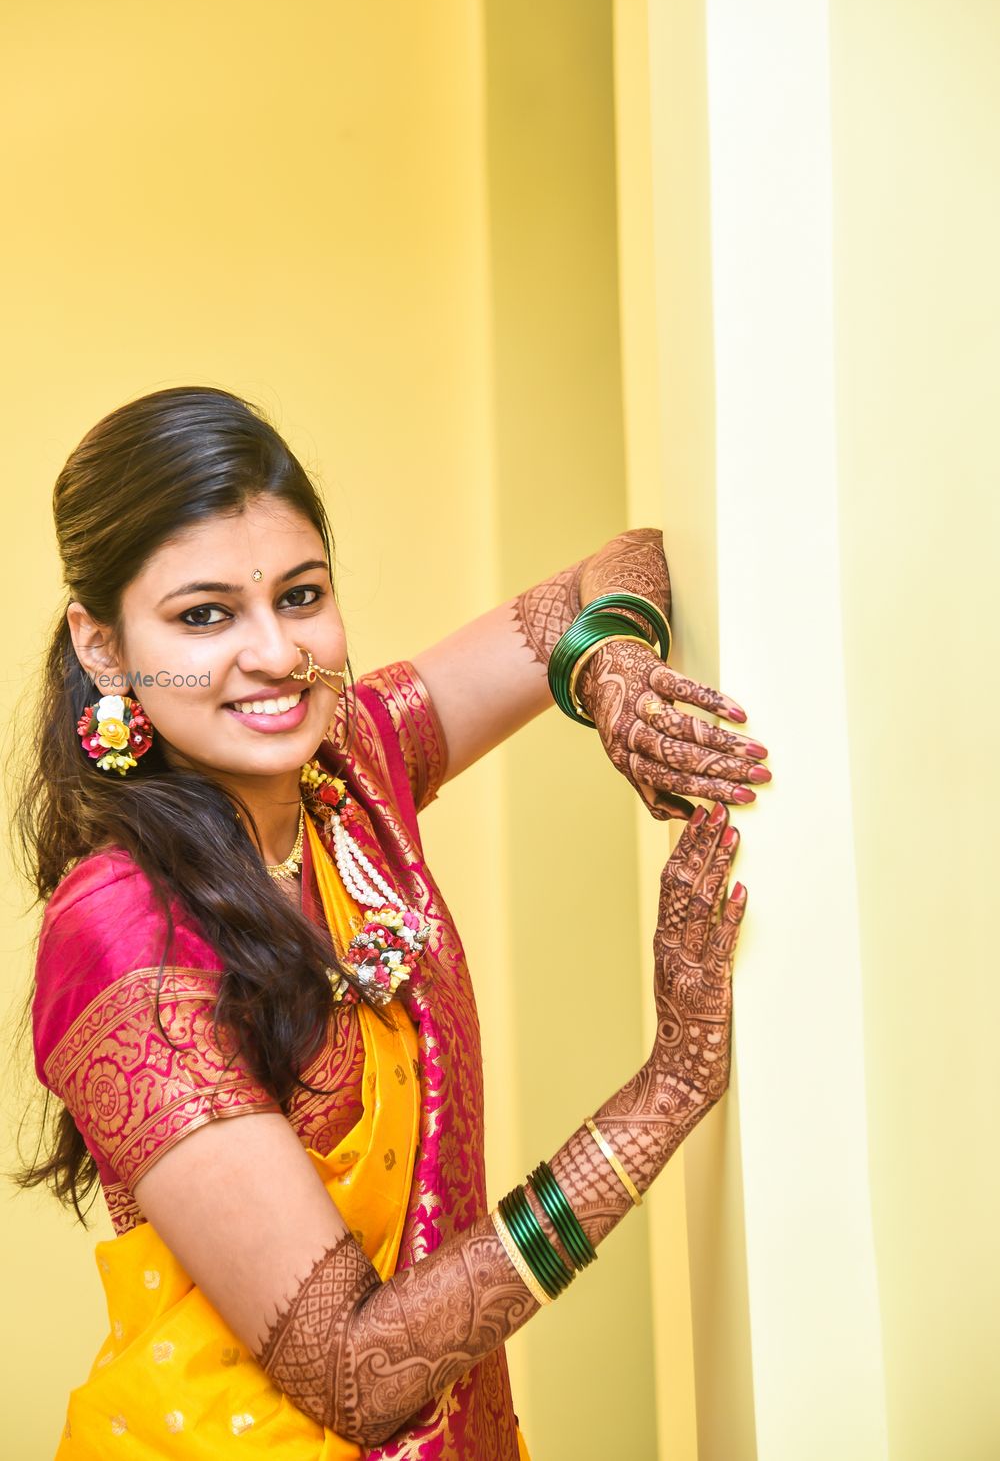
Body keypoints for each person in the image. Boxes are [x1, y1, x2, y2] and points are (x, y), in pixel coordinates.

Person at [12, 386, 771, 1458]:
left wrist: (612, 669)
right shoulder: (124, 932)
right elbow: (355, 1371)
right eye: (204, 615)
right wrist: (668, 1092)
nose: (276, 654)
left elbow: (620, 561)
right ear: (101, 647)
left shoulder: (349, 770)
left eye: (302, 594)